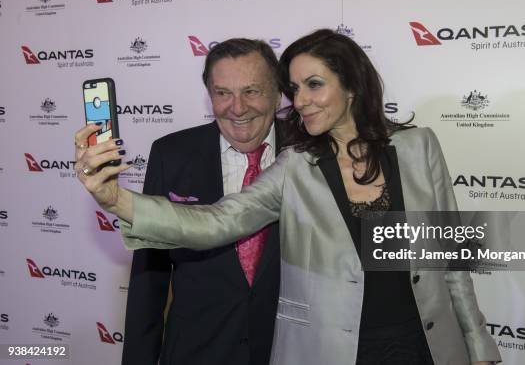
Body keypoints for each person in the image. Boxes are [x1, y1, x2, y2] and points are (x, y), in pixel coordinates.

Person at [75, 29, 501, 365]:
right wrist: (115, 199)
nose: (301, 101)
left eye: (314, 84)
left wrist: (478, 346)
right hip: (338, 354)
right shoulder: (295, 165)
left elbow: (451, 260)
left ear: (351, 84)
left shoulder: (418, 147)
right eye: (295, 89)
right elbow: (215, 222)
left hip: (425, 345)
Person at [119, 38, 284, 365]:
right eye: (223, 93)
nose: (237, 107)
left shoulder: (312, 154)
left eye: (251, 91)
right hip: (196, 351)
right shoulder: (172, 154)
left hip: (286, 353)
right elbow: (149, 278)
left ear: (278, 93)